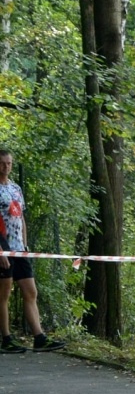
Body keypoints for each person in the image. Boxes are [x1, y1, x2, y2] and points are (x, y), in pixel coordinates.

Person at [0, 149, 64, 353]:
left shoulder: (16, 188)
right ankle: (6, 338)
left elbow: (21, 218)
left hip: (19, 248)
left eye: (9, 163)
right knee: (4, 294)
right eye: (2, 163)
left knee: (30, 291)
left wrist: (25, 245)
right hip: (3, 247)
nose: (6, 167)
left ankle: (39, 337)